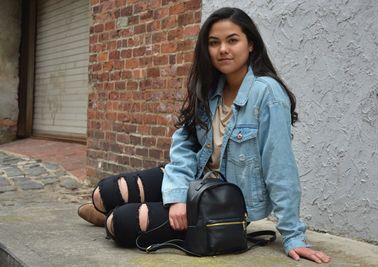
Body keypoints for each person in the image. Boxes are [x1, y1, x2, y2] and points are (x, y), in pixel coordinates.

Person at [78, 7, 330, 263]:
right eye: (214, 42)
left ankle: (114, 216)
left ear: (250, 44)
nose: (223, 49)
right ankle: (110, 208)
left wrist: (293, 236)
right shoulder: (209, 87)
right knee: (104, 192)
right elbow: (185, 143)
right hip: (195, 179)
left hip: (222, 203)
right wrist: (177, 196)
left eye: (232, 40)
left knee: (121, 224)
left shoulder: (268, 95)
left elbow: (280, 168)